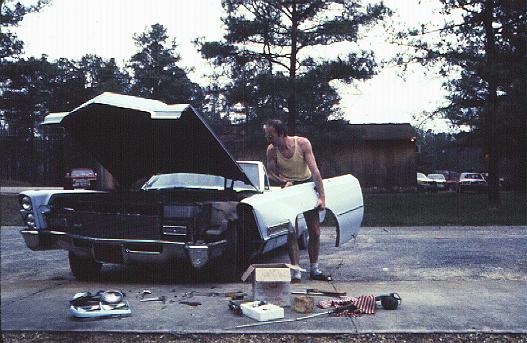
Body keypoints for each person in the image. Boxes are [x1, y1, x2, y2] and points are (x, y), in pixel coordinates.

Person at [263, 119, 331, 282]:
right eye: (267, 136)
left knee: (314, 231)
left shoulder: (302, 144)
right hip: (289, 190)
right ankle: (296, 272)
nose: (268, 139)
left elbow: (315, 171)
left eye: (270, 135)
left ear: (281, 133)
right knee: (292, 232)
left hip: (307, 187)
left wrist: (322, 197)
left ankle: (314, 269)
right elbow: (270, 173)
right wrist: (283, 180)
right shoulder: (271, 150)